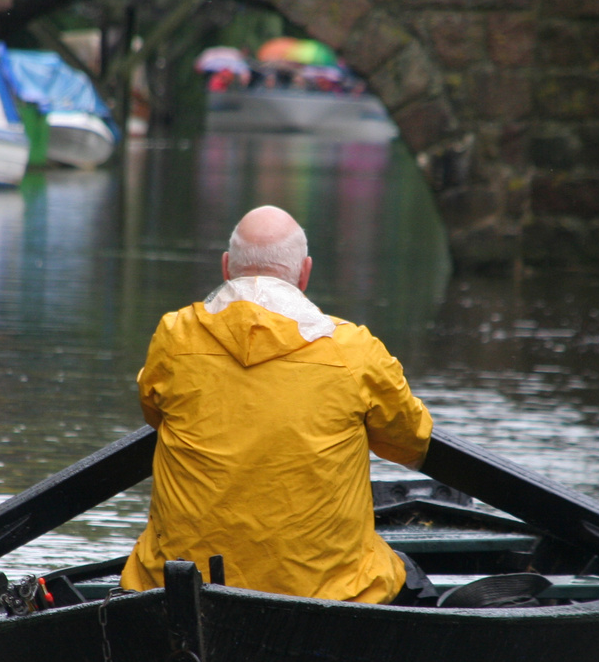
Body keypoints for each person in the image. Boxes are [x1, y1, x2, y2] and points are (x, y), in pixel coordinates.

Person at [119, 205, 436, 605]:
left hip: (178, 586)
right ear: (304, 272)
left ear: (225, 268)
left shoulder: (174, 337)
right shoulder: (355, 352)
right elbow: (411, 444)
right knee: (409, 582)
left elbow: (153, 413)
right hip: (325, 594)